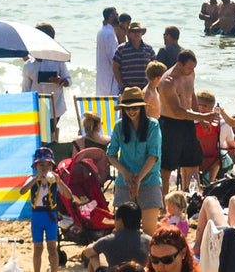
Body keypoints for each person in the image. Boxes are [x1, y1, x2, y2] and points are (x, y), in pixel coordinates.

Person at [156, 49, 215, 195]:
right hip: (171, 123)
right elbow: (177, 111)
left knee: (193, 161)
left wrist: (200, 117)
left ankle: (193, 195)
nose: (191, 71)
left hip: (187, 122)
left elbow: (191, 95)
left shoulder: (190, 74)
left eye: (194, 68)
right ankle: (163, 200)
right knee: (167, 167)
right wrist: (203, 117)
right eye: (189, 67)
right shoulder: (168, 82)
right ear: (179, 64)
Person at [105, 86, 163, 231]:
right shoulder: (119, 126)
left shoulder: (153, 125)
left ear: (142, 107)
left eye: (135, 107)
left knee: (149, 233)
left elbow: (153, 155)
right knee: (123, 233)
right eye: (127, 108)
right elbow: (110, 154)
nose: (131, 111)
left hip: (149, 180)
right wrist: (126, 174)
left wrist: (138, 179)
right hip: (125, 182)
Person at [20, 146, 75, 272]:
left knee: (52, 247)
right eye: (41, 165)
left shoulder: (54, 181)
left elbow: (69, 195)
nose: (45, 168)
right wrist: (35, 181)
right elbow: (22, 191)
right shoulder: (32, 179)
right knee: (38, 248)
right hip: (37, 217)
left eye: (47, 165)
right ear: (36, 167)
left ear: (52, 166)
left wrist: (59, 182)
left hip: (51, 217)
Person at [23, 23, 72, 139]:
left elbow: (69, 81)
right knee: (40, 136)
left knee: (49, 134)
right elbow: (25, 90)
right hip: (37, 108)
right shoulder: (29, 65)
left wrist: (60, 81)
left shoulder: (58, 61)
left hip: (56, 107)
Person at [79, 203, 150, 270]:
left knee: (94, 256)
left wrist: (94, 244)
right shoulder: (149, 240)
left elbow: (87, 252)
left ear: (120, 221)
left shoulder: (108, 240)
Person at [113, 22, 155, 97]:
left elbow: (154, 68)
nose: (137, 33)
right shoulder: (121, 49)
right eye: (134, 31)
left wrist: (151, 85)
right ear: (129, 33)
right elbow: (115, 68)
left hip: (145, 89)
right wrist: (122, 85)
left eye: (139, 31)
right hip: (127, 89)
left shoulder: (149, 49)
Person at [97, 7, 122, 92]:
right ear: (111, 16)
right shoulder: (109, 33)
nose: (118, 17)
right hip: (110, 77)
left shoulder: (101, 30)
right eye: (116, 14)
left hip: (103, 74)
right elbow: (113, 57)